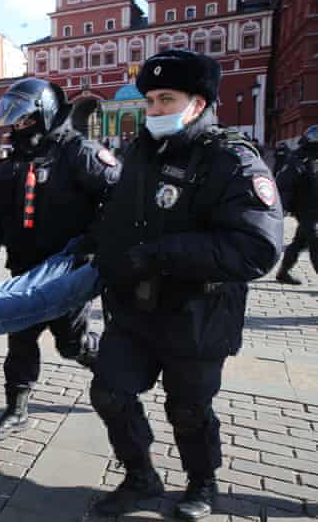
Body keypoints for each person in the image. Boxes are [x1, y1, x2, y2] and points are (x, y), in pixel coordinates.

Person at [88, 50, 283, 520]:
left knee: (189, 409)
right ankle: (140, 476)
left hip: (197, 314)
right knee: (109, 392)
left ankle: (202, 482)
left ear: (198, 103)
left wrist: (160, 254)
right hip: (135, 309)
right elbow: (121, 218)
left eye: (165, 99)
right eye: (149, 100)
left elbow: (257, 248)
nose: (153, 110)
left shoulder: (230, 160)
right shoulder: (141, 151)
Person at [0, 77, 120, 441]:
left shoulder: (79, 152)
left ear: (44, 114)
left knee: (70, 343)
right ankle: (16, 409)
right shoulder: (12, 163)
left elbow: (120, 195)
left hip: (66, 271)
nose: (17, 126)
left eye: (24, 119)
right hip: (24, 270)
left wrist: (96, 241)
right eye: (15, 120)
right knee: (20, 338)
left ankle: (114, 372)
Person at [275, 125, 318, 285]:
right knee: (315, 240)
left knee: (300, 241)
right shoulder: (298, 158)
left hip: (315, 206)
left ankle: (283, 272)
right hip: (305, 208)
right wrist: (283, 208)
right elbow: (284, 184)